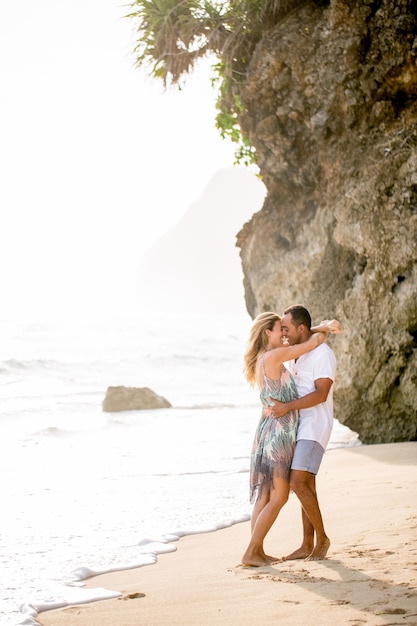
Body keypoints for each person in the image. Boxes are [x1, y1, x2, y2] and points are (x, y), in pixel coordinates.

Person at [241, 312, 341, 567]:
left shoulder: (262, 359)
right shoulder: (275, 357)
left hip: (268, 431)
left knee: (265, 495)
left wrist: (317, 327)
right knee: (280, 496)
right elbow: (310, 341)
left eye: (287, 329)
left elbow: (302, 336)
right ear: (268, 333)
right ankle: (252, 552)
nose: (284, 334)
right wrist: (325, 328)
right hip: (280, 433)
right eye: (280, 329)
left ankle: (258, 550)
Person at [267, 304, 339, 561]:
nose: (283, 333)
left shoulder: (323, 354)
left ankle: (322, 539)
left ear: (301, 329)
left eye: (287, 328)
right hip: (297, 427)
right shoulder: (296, 352)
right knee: (305, 484)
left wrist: (287, 407)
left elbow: (320, 394)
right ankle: (307, 543)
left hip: (315, 426)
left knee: (298, 482)